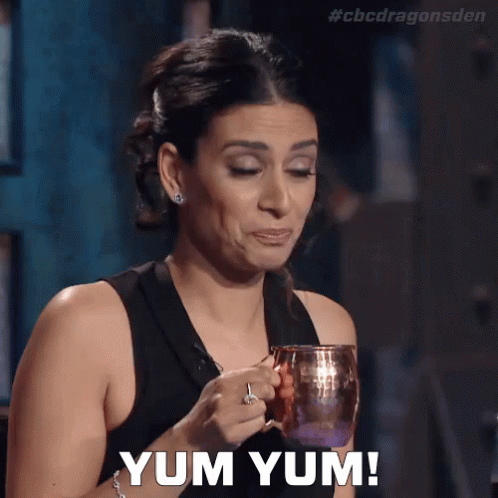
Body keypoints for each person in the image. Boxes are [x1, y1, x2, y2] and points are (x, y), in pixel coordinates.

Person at [6, 28, 357, 498]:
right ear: (174, 173)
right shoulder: (87, 329)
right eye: (246, 169)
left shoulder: (326, 329)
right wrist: (187, 445)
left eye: (300, 170)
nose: (280, 201)